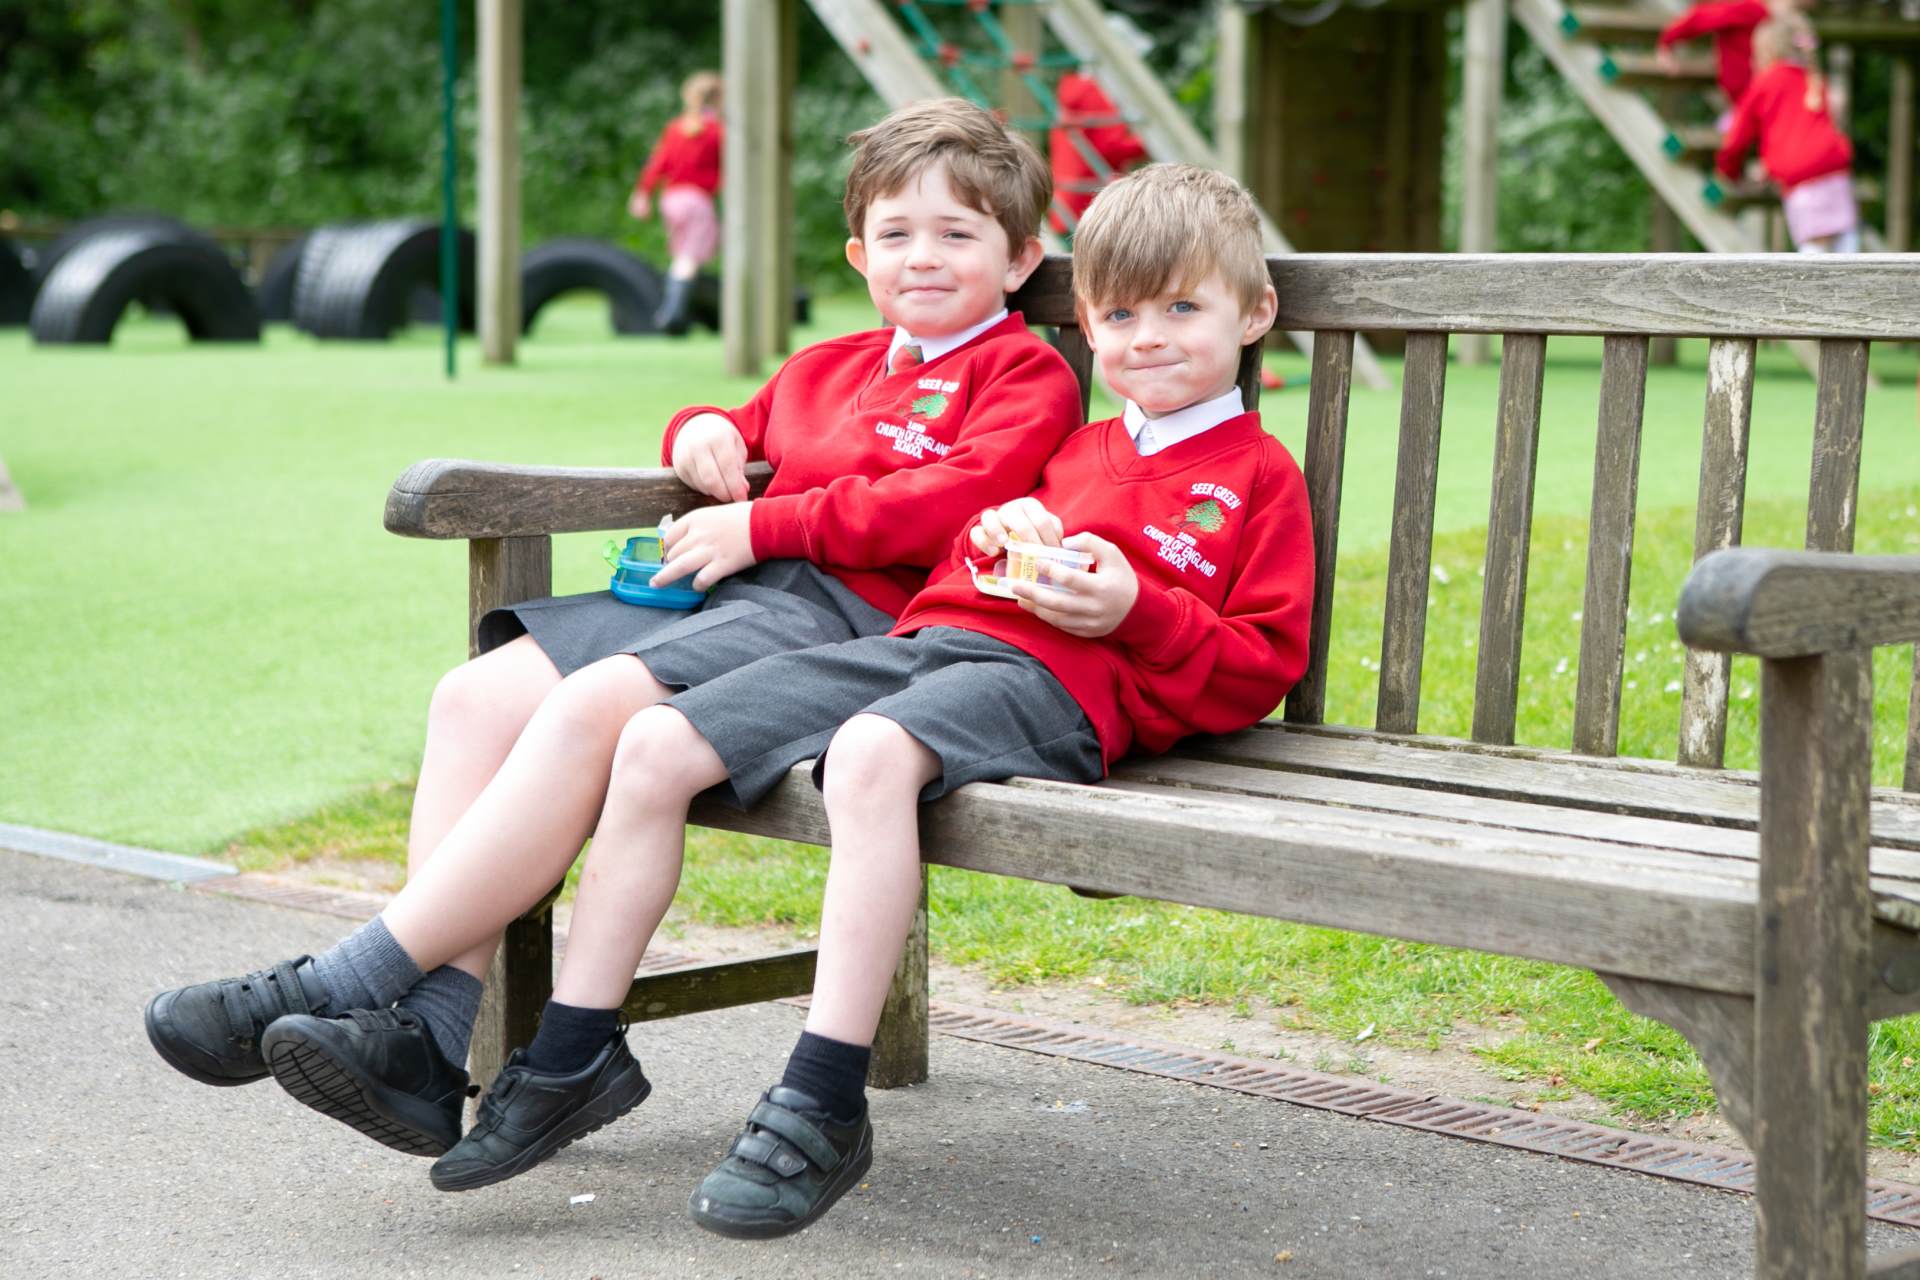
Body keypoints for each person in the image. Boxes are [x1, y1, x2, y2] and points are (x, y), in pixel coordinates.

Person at [142, 97, 1085, 1160]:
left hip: (844, 626)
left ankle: (340, 979)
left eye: (957, 233)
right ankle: (429, 1037)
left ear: (1018, 258)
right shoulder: (830, 366)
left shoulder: (1025, 374)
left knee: (592, 707)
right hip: (730, 597)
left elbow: (955, 501)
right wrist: (701, 432)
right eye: (897, 234)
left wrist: (761, 523)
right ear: (860, 254)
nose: (924, 257)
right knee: (475, 695)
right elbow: (736, 426)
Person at [418, 162, 1315, 1238]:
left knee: (869, 754)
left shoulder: (1260, 475)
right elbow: (961, 572)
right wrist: (997, 540)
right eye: (1120, 315)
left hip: (1059, 689)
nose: (1149, 338)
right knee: (653, 742)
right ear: (1088, 322)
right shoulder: (1082, 452)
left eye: (1181, 309)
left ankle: (822, 1096)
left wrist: (1137, 610)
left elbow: (1260, 666)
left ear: (1253, 314)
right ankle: (571, 1054)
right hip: (930, 647)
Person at [1718, 14, 1858, 253]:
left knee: (1813, 249)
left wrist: (1728, 170)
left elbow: (1737, 136)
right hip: (1835, 170)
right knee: (1844, 243)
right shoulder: (1813, 78)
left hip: (1801, 177)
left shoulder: (1765, 83)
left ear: (1764, 52)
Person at [630, 71, 724, 334]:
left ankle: (678, 311)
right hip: (696, 200)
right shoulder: (717, 132)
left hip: (671, 199)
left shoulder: (676, 128)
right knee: (689, 259)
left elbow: (658, 163)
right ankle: (671, 315)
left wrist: (642, 193)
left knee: (682, 256)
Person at [1048, 67, 1147, 234]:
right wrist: (1143, 143)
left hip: (1066, 200)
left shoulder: (1072, 91)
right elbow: (1110, 147)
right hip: (1091, 202)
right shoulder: (1097, 92)